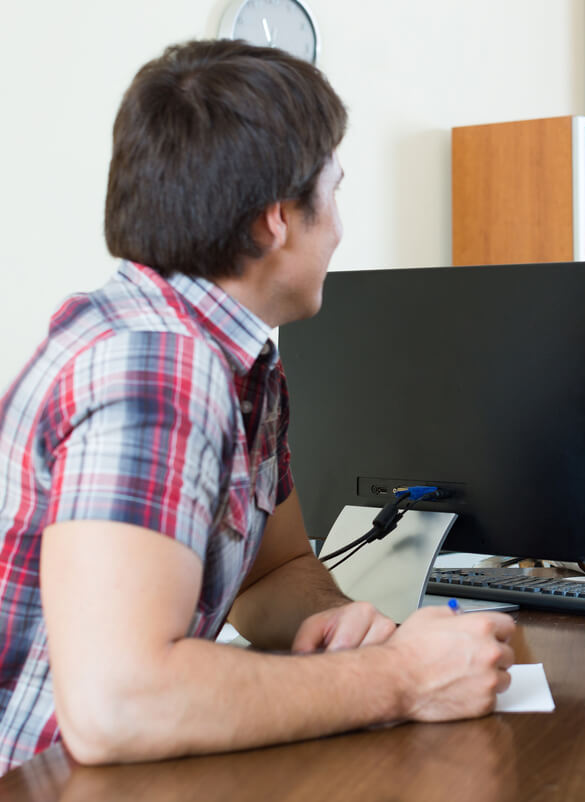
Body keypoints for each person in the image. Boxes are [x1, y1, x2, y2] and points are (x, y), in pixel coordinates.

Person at [0, 40, 515, 774]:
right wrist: (402, 678)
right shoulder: (154, 364)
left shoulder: (238, 364)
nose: (337, 228)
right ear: (277, 220)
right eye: (334, 193)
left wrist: (336, 624)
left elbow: (271, 576)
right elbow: (119, 705)